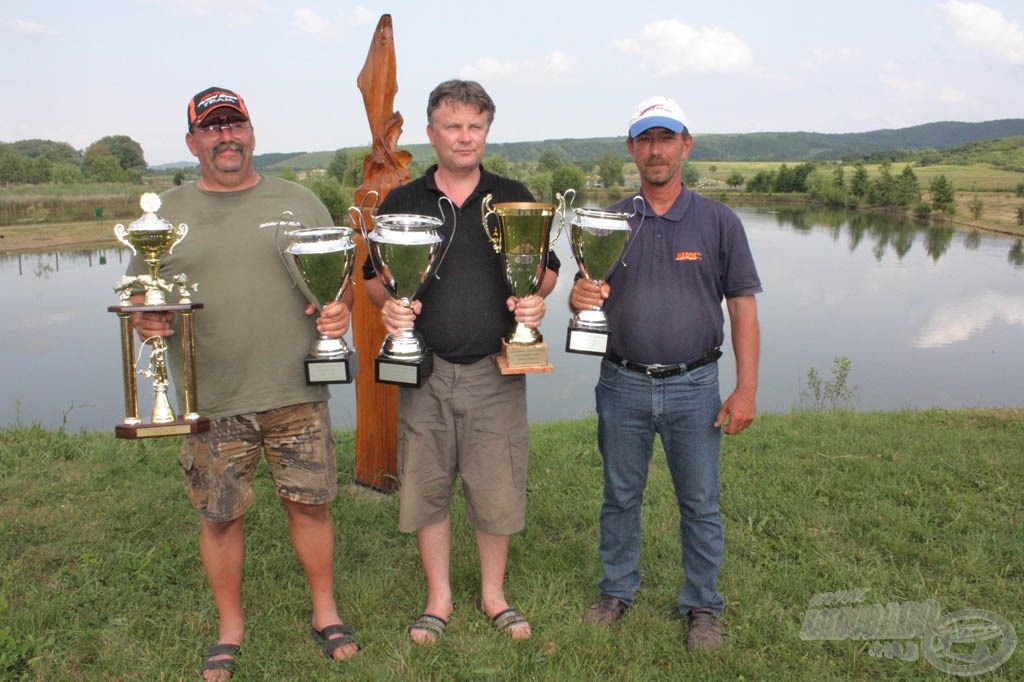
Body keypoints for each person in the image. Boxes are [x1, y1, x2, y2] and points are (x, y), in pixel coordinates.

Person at [128, 87, 358, 681]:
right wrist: (147, 317)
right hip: (214, 397)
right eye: (212, 127)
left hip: (296, 391)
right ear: (192, 141)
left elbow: (338, 283)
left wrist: (340, 310)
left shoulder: (301, 201)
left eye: (236, 124)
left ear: (253, 133)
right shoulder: (164, 218)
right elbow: (138, 297)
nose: (225, 135)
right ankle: (230, 627)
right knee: (220, 516)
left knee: (309, 505)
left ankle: (325, 611)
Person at [363, 79, 560, 645]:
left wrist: (536, 298)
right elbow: (376, 282)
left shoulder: (513, 194)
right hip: (424, 369)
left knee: (495, 487)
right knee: (427, 487)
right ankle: (439, 598)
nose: (465, 136)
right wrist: (391, 310)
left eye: (475, 126)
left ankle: (494, 594)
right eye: (453, 126)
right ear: (431, 135)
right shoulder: (404, 201)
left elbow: (544, 268)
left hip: (494, 370)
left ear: (487, 133)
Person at [570, 96, 762, 652]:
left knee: (700, 502)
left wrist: (745, 389)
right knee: (620, 496)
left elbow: (743, 310)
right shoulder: (605, 221)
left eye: (666, 138)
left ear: (685, 145)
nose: (656, 150)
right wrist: (580, 298)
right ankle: (616, 591)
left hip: (696, 386)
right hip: (621, 382)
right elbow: (584, 304)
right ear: (631, 148)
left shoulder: (719, 221)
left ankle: (703, 605)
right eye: (645, 139)